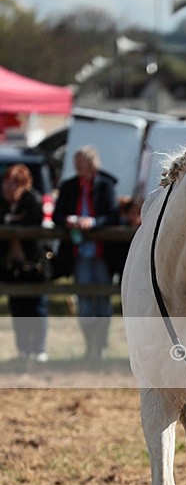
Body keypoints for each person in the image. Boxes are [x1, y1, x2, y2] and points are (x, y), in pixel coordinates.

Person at [53, 146, 119, 360]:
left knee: (102, 301)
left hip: (101, 254)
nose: (77, 166)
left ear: (91, 164)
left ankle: (100, 346)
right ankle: (89, 345)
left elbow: (112, 216)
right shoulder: (69, 186)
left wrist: (93, 222)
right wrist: (68, 220)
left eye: (80, 162)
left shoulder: (106, 186)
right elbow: (57, 214)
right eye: (76, 162)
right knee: (84, 302)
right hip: (79, 252)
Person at [0, 164, 49, 361]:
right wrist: (13, 219)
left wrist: (10, 221)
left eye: (11, 185)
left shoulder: (33, 200)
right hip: (11, 265)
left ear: (22, 185)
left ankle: (39, 348)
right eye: (5, 185)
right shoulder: (2, 203)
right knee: (17, 307)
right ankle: (22, 349)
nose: (7, 189)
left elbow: (32, 221)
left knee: (36, 307)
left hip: (33, 264)